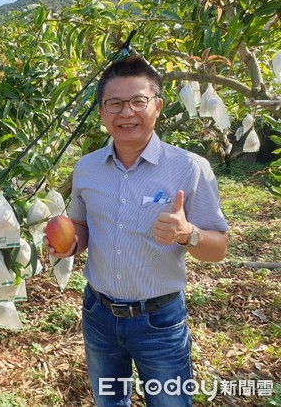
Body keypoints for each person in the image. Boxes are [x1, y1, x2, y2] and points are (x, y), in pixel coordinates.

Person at [45, 56, 228, 406]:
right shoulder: (86, 169)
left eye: (137, 101)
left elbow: (218, 249)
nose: (126, 113)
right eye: (114, 103)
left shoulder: (190, 169)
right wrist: (69, 245)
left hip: (158, 321)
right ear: (101, 112)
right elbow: (83, 228)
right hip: (99, 315)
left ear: (157, 106)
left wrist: (187, 233)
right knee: (109, 402)